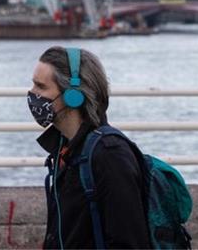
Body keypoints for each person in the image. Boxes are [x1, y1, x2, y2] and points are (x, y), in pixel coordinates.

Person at [28, 45, 150, 249]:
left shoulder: (110, 155)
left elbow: (129, 242)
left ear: (72, 95)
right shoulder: (65, 149)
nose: (32, 94)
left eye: (40, 87)